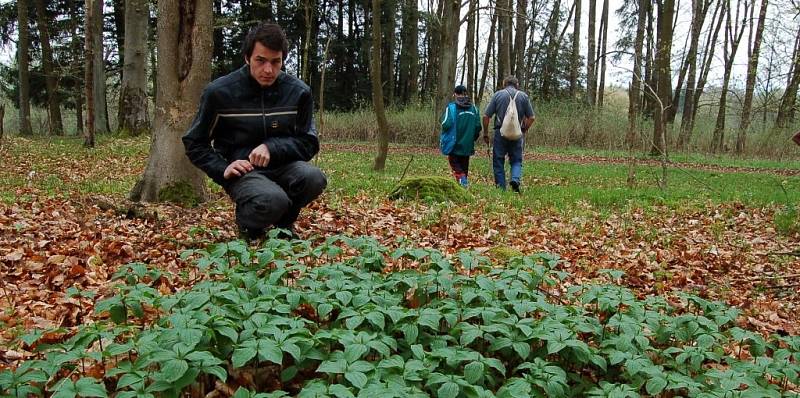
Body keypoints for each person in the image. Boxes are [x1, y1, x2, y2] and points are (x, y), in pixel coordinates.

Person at [183, 22, 327, 239]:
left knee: (314, 177)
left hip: (284, 165)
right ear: (247, 57)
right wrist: (223, 168)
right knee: (272, 199)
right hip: (243, 171)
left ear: (282, 60)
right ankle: (249, 225)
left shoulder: (299, 92)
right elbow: (194, 142)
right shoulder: (219, 93)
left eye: (275, 62)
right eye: (260, 60)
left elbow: (309, 141)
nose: (268, 70)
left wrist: (272, 147)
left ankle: (284, 225)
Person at [482, 76, 535, 193]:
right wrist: (523, 129)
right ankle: (515, 179)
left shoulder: (498, 95)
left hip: (500, 133)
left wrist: (485, 132)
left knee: (498, 160)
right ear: (517, 85)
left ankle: (501, 189)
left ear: (504, 84)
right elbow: (531, 117)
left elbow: (486, 116)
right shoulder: (523, 96)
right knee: (516, 160)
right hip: (517, 134)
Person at [439, 85, 482, 187]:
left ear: (455, 94)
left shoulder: (451, 108)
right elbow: (478, 127)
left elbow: (446, 124)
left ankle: (463, 182)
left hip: (454, 144)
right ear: (465, 94)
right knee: (464, 166)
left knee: (455, 165)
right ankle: (463, 186)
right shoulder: (474, 109)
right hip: (468, 144)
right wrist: (472, 138)